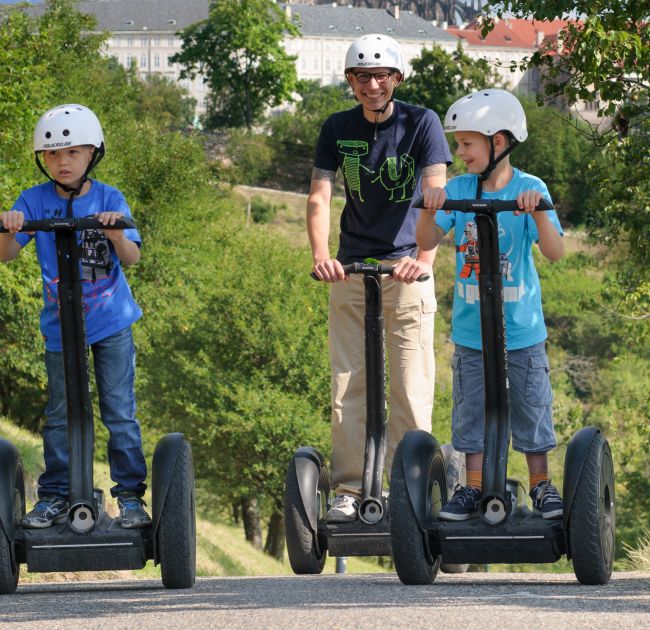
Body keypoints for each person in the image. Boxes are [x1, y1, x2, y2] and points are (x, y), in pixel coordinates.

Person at [308, 34, 452, 522]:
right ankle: (349, 489)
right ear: (350, 82)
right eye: (362, 77)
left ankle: (406, 486)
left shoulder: (422, 123)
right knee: (347, 386)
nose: (372, 85)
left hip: (408, 270)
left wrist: (425, 261)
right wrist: (321, 255)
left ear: (397, 79)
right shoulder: (335, 127)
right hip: (351, 269)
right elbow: (319, 197)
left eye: (381, 76)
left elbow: (436, 195)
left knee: (410, 387)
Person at [416, 89, 565, 521]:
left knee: (532, 410)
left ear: (498, 142)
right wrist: (430, 207)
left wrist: (537, 213)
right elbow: (426, 240)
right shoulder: (458, 189)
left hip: (521, 332)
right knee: (470, 415)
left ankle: (540, 485)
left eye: (466, 144)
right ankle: (472, 488)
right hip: (471, 333)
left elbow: (555, 252)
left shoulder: (530, 188)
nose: (458, 153)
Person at [0, 104, 151, 529]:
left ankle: (130, 498)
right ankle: (55, 494)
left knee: (119, 410)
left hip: (110, 322)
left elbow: (133, 257)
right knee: (60, 413)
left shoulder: (109, 198)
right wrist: (11, 229)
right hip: (60, 326)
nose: (62, 162)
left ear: (92, 154)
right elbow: (6, 255)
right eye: (52, 155)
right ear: (42, 159)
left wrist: (116, 233)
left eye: (72, 153)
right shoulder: (33, 200)